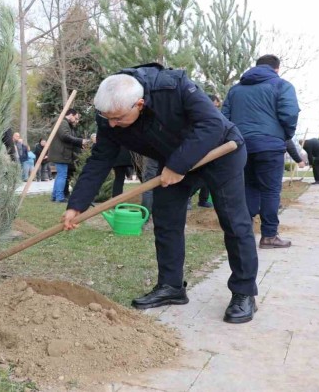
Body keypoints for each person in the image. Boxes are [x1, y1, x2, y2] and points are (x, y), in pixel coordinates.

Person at [62, 63, 259, 324]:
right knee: (165, 221)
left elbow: (211, 124)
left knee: (234, 221)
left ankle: (244, 293)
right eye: (107, 118)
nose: (112, 124)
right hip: (172, 161)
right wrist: (77, 205)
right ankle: (171, 287)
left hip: (220, 151)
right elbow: (100, 159)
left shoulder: (173, 86)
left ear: (139, 104)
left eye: (118, 118)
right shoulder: (109, 114)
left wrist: (179, 165)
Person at [222, 55, 300, 249]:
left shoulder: (235, 90)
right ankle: (269, 236)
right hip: (269, 145)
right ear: (277, 69)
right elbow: (290, 114)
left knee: (248, 187)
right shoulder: (282, 86)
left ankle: (244, 234)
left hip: (239, 146)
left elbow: (223, 118)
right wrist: (284, 135)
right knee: (270, 190)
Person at [48, 109, 87, 203]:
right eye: (75, 118)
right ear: (70, 115)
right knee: (62, 175)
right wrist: (80, 141)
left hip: (60, 152)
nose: (76, 121)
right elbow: (64, 136)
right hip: (61, 153)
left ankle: (55, 196)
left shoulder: (62, 122)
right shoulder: (63, 122)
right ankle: (59, 197)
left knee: (60, 175)